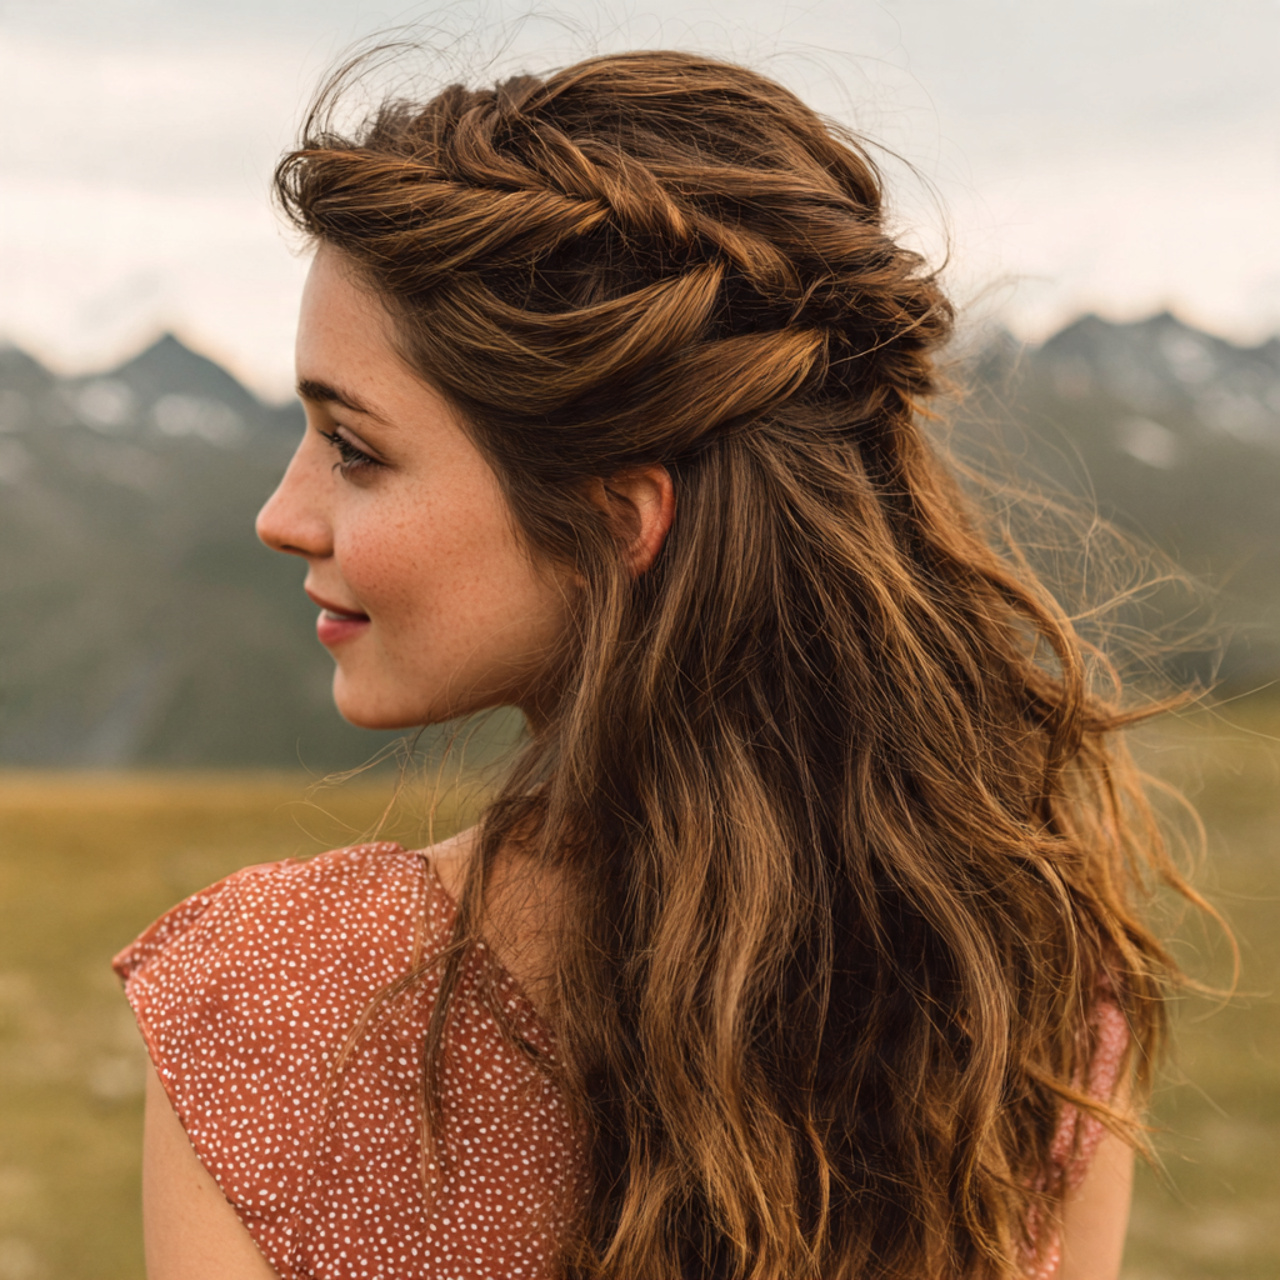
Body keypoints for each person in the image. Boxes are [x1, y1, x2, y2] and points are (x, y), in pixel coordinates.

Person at [114, 49, 1195, 1280]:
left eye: (354, 448)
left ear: (620, 519)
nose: (282, 513)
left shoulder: (271, 1007)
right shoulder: (1024, 986)